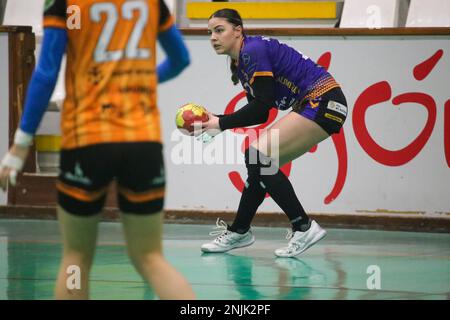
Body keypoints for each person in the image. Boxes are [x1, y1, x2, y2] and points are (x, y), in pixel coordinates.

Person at [0, 0, 195, 299]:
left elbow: (46, 73)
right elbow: (181, 58)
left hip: (87, 141)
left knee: (76, 258)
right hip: (142, 142)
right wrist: (141, 80)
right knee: (151, 259)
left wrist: (19, 145)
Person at [200, 9, 348, 258]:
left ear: (238, 30)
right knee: (259, 165)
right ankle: (240, 231)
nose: (213, 37)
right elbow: (260, 113)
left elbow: (261, 106)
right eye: (209, 33)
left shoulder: (252, 52)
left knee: (257, 155)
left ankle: (303, 227)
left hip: (323, 100)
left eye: (219, 30)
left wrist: (219, 123)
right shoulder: (241, 61)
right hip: (315, 103)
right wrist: (218, 122)